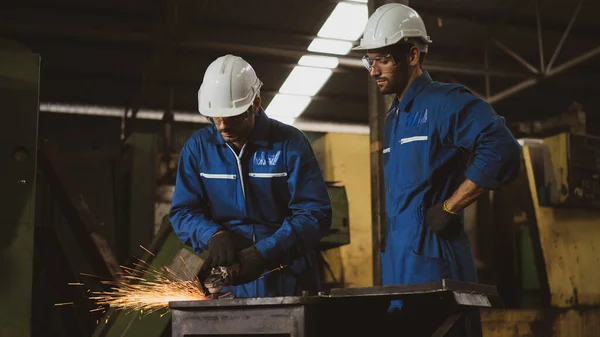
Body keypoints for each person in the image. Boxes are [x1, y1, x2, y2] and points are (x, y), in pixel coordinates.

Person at [354, 3, 522, 336]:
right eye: (369, 60)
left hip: (435, 257)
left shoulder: (444, 102)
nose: (373, 70)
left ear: (412, 55)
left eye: (383, 59)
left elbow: (503, 149)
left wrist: (451, 206)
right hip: (399, 264)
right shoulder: (393, 118)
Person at [169, 54, 332, 298]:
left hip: (287, 276)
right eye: (216, 117)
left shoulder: (289, 144)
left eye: (232, 116)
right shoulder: (198, 148)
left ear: (255, 103)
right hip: (228, 280)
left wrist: (264, 252)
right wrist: (212, 234)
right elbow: (183, 212)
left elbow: (314, 214)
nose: (223, 125)